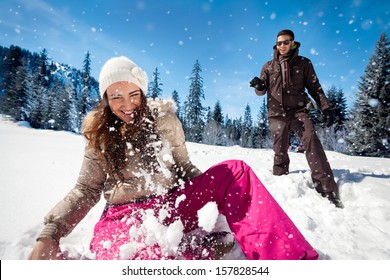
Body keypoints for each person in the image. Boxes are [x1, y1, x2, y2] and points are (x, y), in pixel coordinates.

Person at [28, 56, 319, 260]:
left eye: (133, 94)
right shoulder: (99, 133)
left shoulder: (165, 122)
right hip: (123, 217)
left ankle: (288, 262)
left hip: (170, 205)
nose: (127, 105)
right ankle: (195, 249)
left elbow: (184, 167)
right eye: (116, 96)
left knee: (236, 171)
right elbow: (86, 189)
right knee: (143, 261)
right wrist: (50, 235)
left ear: (142, 92)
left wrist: (210, 199)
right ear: (105, 98)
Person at [250, 29, 343, 208]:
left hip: (298, 111)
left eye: (286, 42)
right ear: (276, 45)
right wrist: (260, 85)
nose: (282, 46)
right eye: (279, 43)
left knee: (311, 139)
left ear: (293, 43)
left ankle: (326, 188)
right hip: (277, 114)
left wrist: (326, 107)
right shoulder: (268, 66)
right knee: (280, 150)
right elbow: (260, 91)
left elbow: (315, 87)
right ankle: (279, 183)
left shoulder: (304, 63)